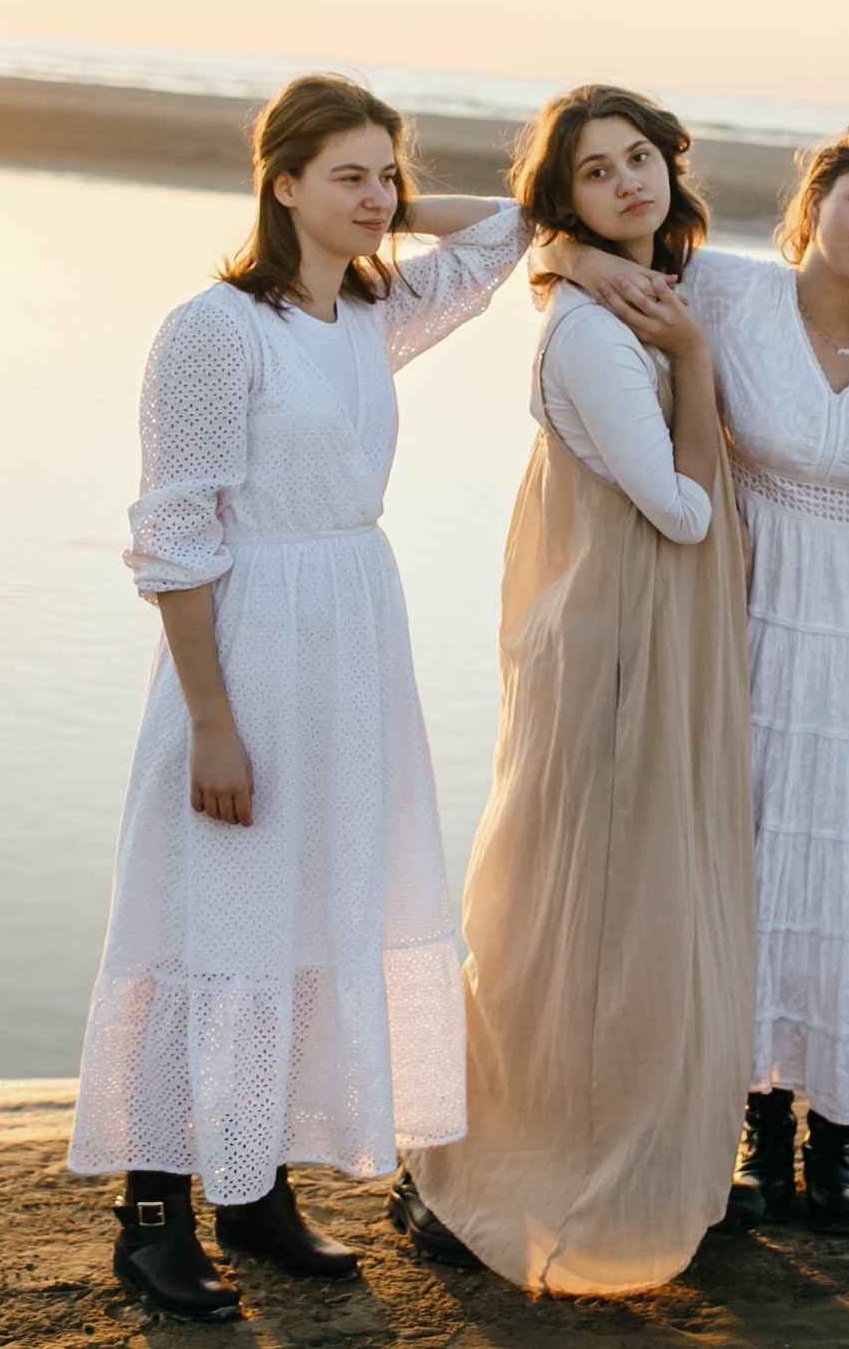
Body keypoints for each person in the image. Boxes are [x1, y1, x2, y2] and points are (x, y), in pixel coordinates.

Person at [66, 73, 533, 1318]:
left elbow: (504, 232)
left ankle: (256, 1190)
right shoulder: (215, 329)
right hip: (249, 644)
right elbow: (175, 534)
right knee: (206, 915)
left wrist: (386, 208)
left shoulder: (368, 316)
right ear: (278, 182)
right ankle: (154, 1215)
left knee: (314, 905)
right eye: (347, 175)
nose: (378, 198)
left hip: (351, 639)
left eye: (388, 174)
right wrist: (211, 722)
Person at [552, 120, 849, 1234]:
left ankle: (839, 1143)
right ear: (818, 195)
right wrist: (544, 247)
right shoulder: (726, 291)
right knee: (750, 863)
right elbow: (570, 251)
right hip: (754, 615)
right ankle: (757, 1135)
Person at [393, 85, 756, 1294]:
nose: (629, 184)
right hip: (614, 641)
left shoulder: (656, 285)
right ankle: (486, 1157)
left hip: (643, 631)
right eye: (595, 174)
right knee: (574, 909)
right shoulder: (605, 332)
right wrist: (691, 359)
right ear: (567, 201)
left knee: (614, 903)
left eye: (639, 158)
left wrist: (564, 246)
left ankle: (611, 1140)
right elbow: (683, 507)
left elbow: (507, 218)